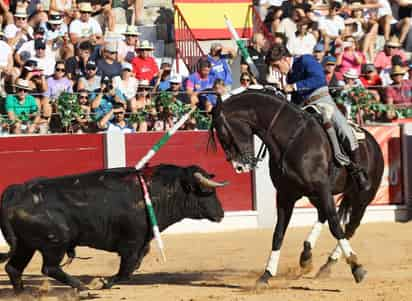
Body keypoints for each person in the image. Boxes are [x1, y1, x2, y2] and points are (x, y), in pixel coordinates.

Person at [269, 45, 370, 190]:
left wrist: (294, 86)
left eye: (277, 66)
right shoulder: (289, 75)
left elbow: (319, 79)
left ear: (285, 59)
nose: (277, 70)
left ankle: (357, 171)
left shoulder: (305, 60)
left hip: (321, 100)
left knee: (342, 128)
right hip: (302, 107)